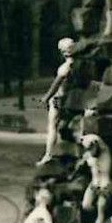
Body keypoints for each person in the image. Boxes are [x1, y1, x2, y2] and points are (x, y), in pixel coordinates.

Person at [37, 37, 76, 165]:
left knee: (52, 126)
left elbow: (56, 85)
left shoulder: (65, 67)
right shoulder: (77, 64)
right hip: (71, 99)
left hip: (60, 99)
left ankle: (49, 154)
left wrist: (45, 98)